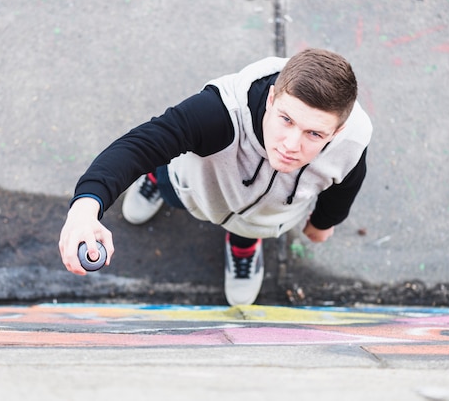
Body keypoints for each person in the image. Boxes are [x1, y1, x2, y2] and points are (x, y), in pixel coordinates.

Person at [59, 48, 372, 306]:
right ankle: (154, 181)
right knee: (167, 178)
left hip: (264, 216)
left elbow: (345, 185)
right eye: (286, 120)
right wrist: (85, 208)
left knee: (249, 228)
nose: (291, 145)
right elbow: (141, 144)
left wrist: (324, 222)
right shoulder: (222, 111)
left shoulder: (352, 143)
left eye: (314, 134)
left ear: (337, 131)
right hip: (194, 187)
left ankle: (243, 246)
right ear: (273, 99)